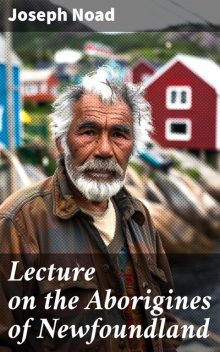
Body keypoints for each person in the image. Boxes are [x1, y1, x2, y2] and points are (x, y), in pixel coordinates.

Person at [0, 67, 181, 351]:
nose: (105, 150)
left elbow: (165, 315)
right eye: (89, 132)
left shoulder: (140, 217)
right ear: (61, 143)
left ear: (133, 147)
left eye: (119, 134)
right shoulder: (19, 223)